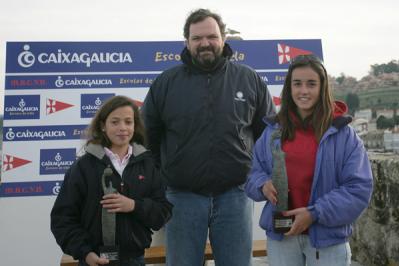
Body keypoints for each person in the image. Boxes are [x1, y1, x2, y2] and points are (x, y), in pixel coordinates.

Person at [141, 8, 275, 266]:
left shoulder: (249, 79)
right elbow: (149, 139)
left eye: (211, 37)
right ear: (186, 42)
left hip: (236, 196)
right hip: (181, 199)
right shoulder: (166, 83)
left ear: (223, 38)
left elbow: (267, 137)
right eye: (197, 38)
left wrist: (260, 178)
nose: (205, 43)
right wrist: (162, 181)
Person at [245, 54, 373, 266]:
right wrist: (262, 184)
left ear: (322, 88)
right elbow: (251, 174)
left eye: (311, 84)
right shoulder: (272, 132)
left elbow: (358, 189)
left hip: (328, 242)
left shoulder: (344, 136)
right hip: (282, 238)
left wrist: (314, 213)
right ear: (289, 88)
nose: (303, 91)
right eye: (297, 84)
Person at [51, 95, 172, 266]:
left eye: (128, 122)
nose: (122, 128)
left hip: (134, 260)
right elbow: (62, 218)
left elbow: (163, 212)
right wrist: (85, 253)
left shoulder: (148, 164)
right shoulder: (83, 167)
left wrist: (134, 205)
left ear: (135, 126)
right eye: (115, 122)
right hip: (93, 260)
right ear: (102, 126)